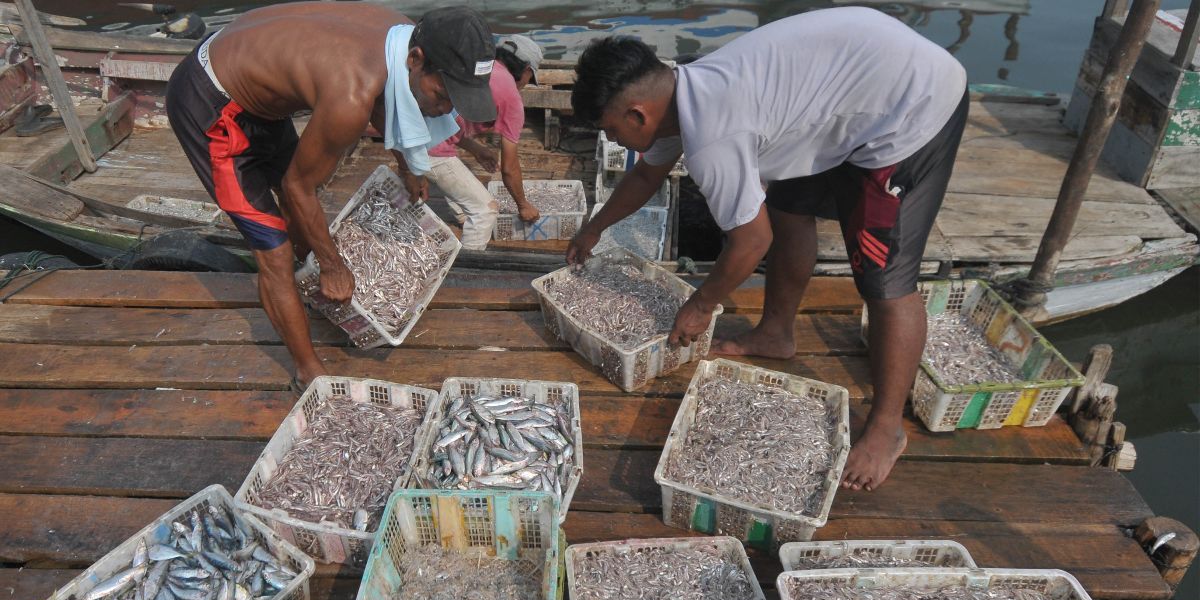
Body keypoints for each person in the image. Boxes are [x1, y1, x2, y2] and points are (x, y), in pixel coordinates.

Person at [566, 7, 968, 492]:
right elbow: (648, 173)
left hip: (911, 104)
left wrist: (700, 304)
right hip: (852, 85)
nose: (613, 140)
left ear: (637, 114)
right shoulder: (682, 91)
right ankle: (776, 334)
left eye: (611, 131)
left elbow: (751, 242)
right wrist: (595, 227)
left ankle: (887, 428)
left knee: (883, 278)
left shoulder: (713, 135)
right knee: (786, 206)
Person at [165, 3, 496, 390]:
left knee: (299, 205)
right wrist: (333, 265)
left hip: (255, 87)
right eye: (442, 94)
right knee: (273, 247)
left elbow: (387, 100)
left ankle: (310, 293)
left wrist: (408, 166)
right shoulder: (350, 96)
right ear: (416, 59)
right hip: (209, 102)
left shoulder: (409, 34)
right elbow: (297, 186)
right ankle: (308, 370)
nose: (446, 108)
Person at [427, 34, 544, 249]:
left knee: (456, 174)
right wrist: (523, 205)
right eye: (530, 78)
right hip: (428, 147)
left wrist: (476, 149)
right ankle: (467, 270)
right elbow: (509, 168)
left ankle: (462, 215)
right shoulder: (511, 98)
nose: (526, 84)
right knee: (485, 210)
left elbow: (450, 120)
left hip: (413, 131)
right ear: (526, 70)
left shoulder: (478, 67)